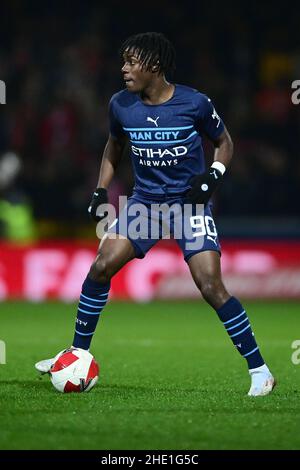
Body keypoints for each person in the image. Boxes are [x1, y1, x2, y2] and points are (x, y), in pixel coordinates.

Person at [35, 32, 275, 396]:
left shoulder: (194, 103)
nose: (124, 69)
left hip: (188, 205)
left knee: (210, 285)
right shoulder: (121, 105)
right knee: (101, 266)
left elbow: (225, 142)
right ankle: (76, 353)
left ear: (154, 66)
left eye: (132, 62)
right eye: (123, 62)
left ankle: (260, 370)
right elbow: (113, 146)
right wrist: (100, 189)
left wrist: (213, 176)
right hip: (144, 204)